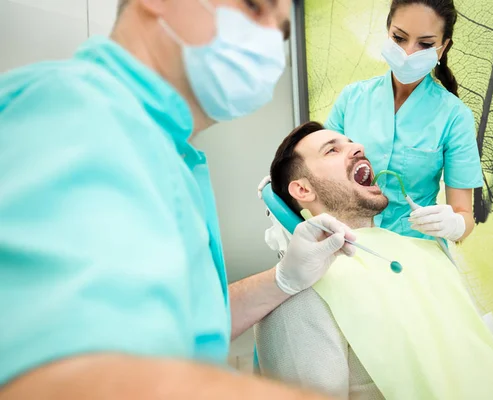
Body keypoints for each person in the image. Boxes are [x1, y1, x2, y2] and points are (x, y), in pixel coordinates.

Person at [0, 1, 356, 399]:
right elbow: (58, 382)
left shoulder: (169, 155)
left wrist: (283, 280)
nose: (272, 40)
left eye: (283, 32)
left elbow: (181, 331)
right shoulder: (73, 112)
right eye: (256, 7)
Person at [255, 121, 493, 400]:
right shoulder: (299, 286)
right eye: (332, 151)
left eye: (351, 142)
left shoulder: (427, 254)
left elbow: (489, 356)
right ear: (302, 189)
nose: (357, 147)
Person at [258, 0, 485, 244]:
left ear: (442, 48)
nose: (408, 53)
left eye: (425, 44)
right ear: (388, 32)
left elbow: (464, 215)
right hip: (352, 245)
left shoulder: (454, 116)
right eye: (399, 38)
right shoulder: (353, 98)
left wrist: (454, 225)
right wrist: (285, 179)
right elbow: (320, 171)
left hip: (416, 251)